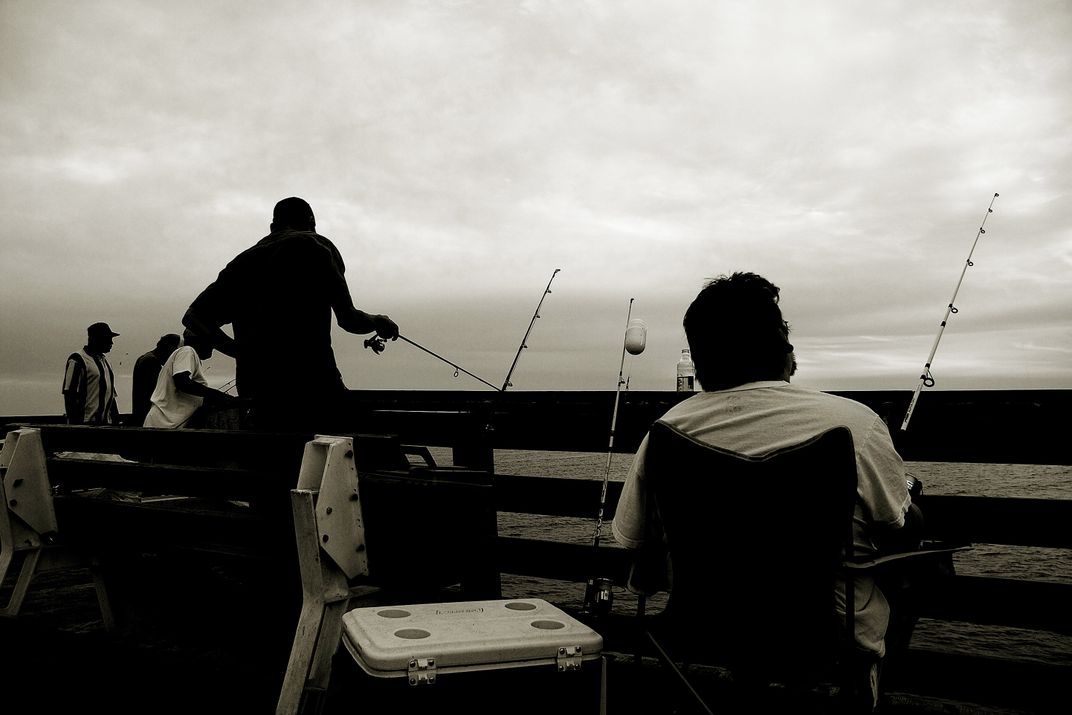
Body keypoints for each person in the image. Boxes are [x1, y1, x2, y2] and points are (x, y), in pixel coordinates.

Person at [611, 271, 923, 709]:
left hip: (702, 636)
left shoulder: (668, 432)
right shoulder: (854, 424)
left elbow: (630, 538)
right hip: (824, 643)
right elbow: (897, 528)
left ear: (700, 360)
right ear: (783, 347)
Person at [181, 197, 398, 431]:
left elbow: (195, 317)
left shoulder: (243, 261)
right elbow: (349, 320)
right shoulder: (317, 246)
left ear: (273, 225)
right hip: (313, 385)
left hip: (259, 393)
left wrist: (243, 353)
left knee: (273, 461)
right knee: (354, 449)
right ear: (311, 220)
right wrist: (378, 321)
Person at [143, 329, 242, 429]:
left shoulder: (187, 355)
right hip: (161, 426)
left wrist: (219, 398)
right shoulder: (187, 351)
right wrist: (219, 395)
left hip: (163, 425)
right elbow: (182, 382)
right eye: (210, 342)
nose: (213, 347)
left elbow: (191, 393)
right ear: (200, 341)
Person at [62, 322, 121, 425]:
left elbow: (110, 395)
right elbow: (69, 394)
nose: (111, 343)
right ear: (95, 339)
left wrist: (116, 421)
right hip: (86, 424)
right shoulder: (78, 360)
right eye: (108, 339)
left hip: (106, 424)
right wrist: (74, 425)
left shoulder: (105, 361)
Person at [131, 333, 182, 426]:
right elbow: (157, 391)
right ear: (169, 348)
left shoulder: (145, 358)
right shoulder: (151, 362)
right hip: (147, 417)